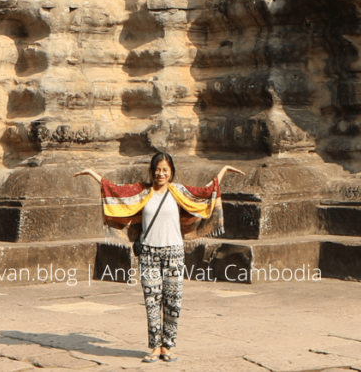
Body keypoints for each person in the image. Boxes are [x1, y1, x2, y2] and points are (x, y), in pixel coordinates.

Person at [75, 154, 244, 363]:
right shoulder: (143, 192)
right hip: (148, 252)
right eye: (157, 169)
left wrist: (224, 169)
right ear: (152, 171)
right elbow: (117, 191)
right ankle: (155, 346)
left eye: (165, 169)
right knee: (152, 301)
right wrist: (93, 174)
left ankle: (168, 346)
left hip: (174, 252)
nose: (161, 173)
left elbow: (205, 192)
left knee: (173, 302)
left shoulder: (179, 192)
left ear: (171, 171)